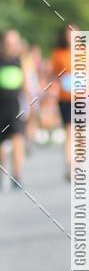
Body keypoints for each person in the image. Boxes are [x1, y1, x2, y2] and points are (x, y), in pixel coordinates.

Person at [51, 24, 79, 181]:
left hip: (83, 98)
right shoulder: (58, 54)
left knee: (81, 134)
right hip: (66, 99)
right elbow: (54, 75)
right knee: (70, 132)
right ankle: (70, 166)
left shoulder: (86, 53)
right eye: (69, 34)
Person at [0, 29, 28, 189]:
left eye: (15, 43)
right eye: (9, 43)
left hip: (16, 108)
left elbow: (27, 86)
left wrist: (32, 105)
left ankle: (17, 175)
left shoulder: (20, 61)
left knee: (18, 140)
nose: (12, 47)